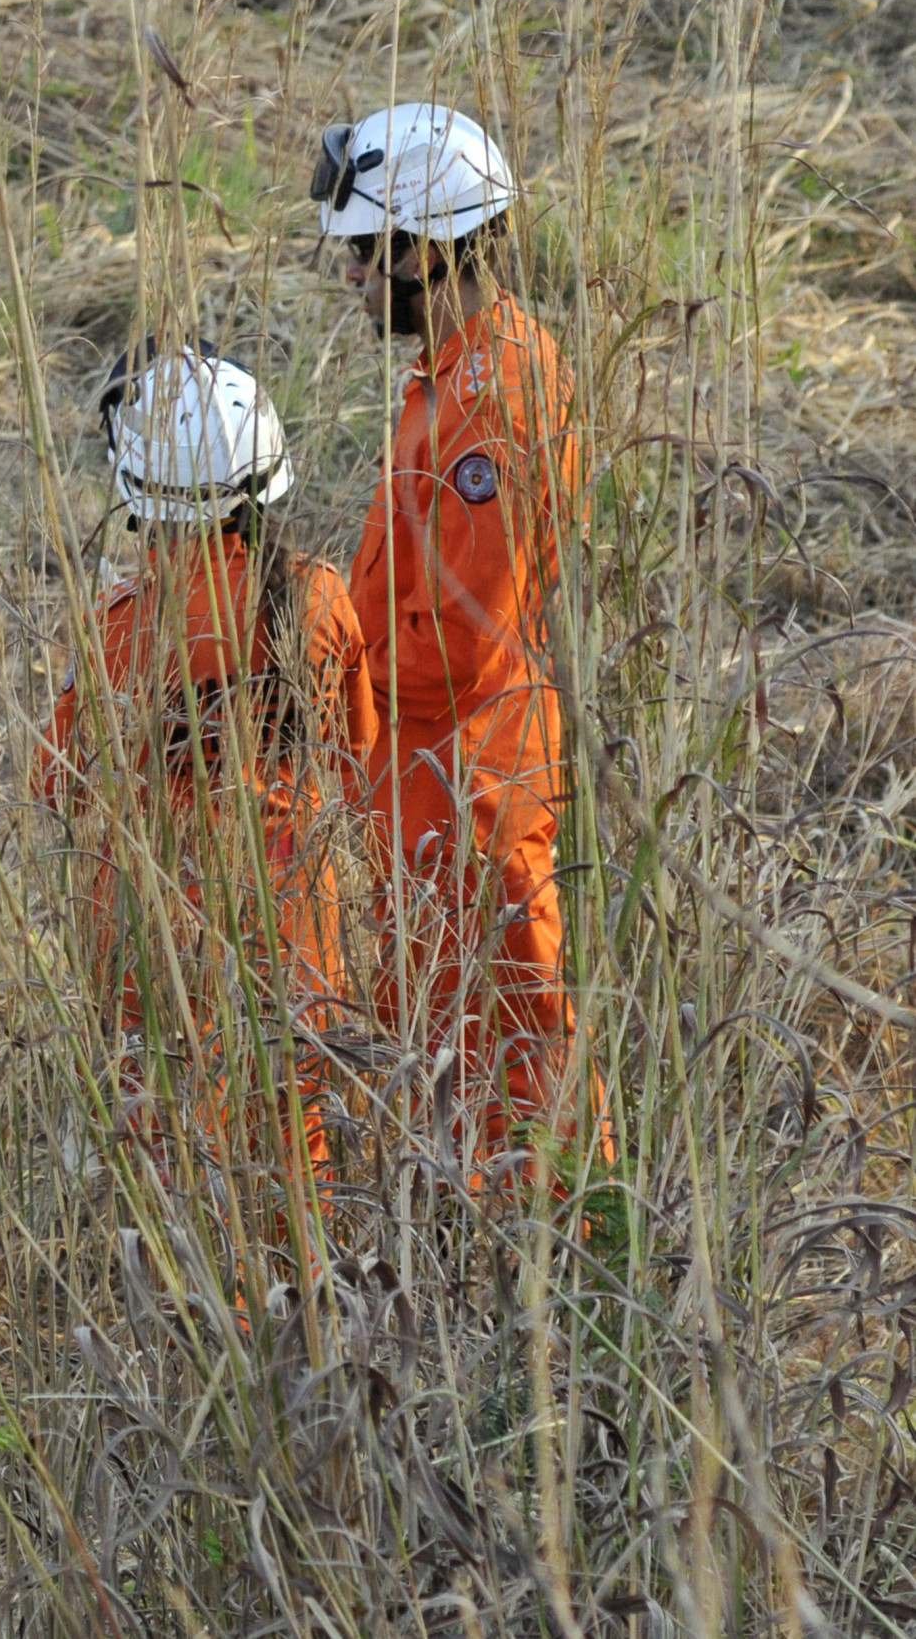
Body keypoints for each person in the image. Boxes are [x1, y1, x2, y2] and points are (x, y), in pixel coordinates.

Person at [308, 102, 602, 1175]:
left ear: (426, 250)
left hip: (463, 789)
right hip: (430, 782)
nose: (348, 281)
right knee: (446, 1058)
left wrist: (322, 666)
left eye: (362, 255)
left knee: (508, 1063)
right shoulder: (458, 370)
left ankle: (559, 1264)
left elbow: (457, 648)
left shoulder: (492, 402)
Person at [41, 345, 379, 1236]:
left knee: (176, 1172)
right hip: (297, 927)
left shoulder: (122, 629)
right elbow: (359, 750)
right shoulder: (318, 595)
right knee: (295, 1158)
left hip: (156, 941)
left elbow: (55, 782)